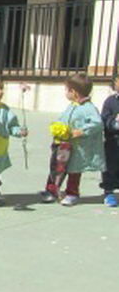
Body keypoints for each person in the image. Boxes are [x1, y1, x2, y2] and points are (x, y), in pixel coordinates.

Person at [41, 73, 105, 206]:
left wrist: (81, 131)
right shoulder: (72, 105)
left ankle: (72, 193)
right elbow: (64, 119)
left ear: (74, 92)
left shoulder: (88, 108)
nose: (66, 92)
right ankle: (51, 190)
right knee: (57, 166)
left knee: (74, 170)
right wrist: (58, 128)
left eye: (67, 90)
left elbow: (97, 124)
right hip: (64, 144)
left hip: (79, 148)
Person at [100, 75, 119, 207]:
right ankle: (109, 192)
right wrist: (114, 122)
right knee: (110, 166)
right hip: (114, 141)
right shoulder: (110, 101)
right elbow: (104, 120)